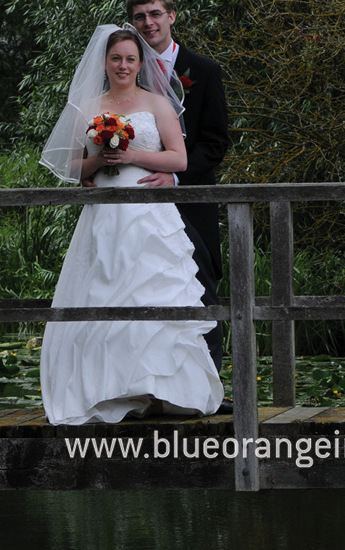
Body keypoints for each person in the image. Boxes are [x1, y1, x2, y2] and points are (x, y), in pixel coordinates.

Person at [38, 25, 224, 425]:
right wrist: (99, 162)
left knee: (156, 293)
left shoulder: (158, 103)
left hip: (150, 214)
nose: (123, 65)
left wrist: (134, 159)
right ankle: (111, 390)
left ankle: (164, 391)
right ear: (105, 63)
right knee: (104, 292)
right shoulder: (88, 106)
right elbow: (69, 165)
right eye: (116, 58)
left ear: (141, 64)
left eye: (130, 59)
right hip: (105, 214)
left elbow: (179, 160)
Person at [126, 0, 231, 372]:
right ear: (132, 23)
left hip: (191, 199)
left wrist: (175, 177)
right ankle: (150, 381)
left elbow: (216, 143)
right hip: (137, 200)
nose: (149, 22)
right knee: (142, 287)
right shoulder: (123, 73)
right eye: (140, 16)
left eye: (155, 14)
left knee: (198, 287)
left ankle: (210, 385)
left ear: (171, 16)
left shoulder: (203, 71)